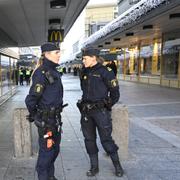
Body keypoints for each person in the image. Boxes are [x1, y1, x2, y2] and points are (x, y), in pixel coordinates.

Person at [77, 47, 124, 177]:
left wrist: (106, 106)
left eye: (85, 58)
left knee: (106, 140)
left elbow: (115, 93)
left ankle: (118, 166)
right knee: (89, 140)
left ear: (93, 58)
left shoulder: (106, 71)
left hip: (101, 113)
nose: (83, 60)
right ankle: (94, 167)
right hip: (86, 112)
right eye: (83, 58)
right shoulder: (84, 71)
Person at [25, 42, 64, 180]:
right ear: (47, 55)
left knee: (54, 150)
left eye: (59, 52)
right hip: (46, 121)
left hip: (55, 120)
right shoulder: (42, 73)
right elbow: (31, 100)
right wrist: (37, 116)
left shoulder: (54, 71)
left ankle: (50, 176)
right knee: (46, 152)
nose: (59, 55)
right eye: (56, 53)